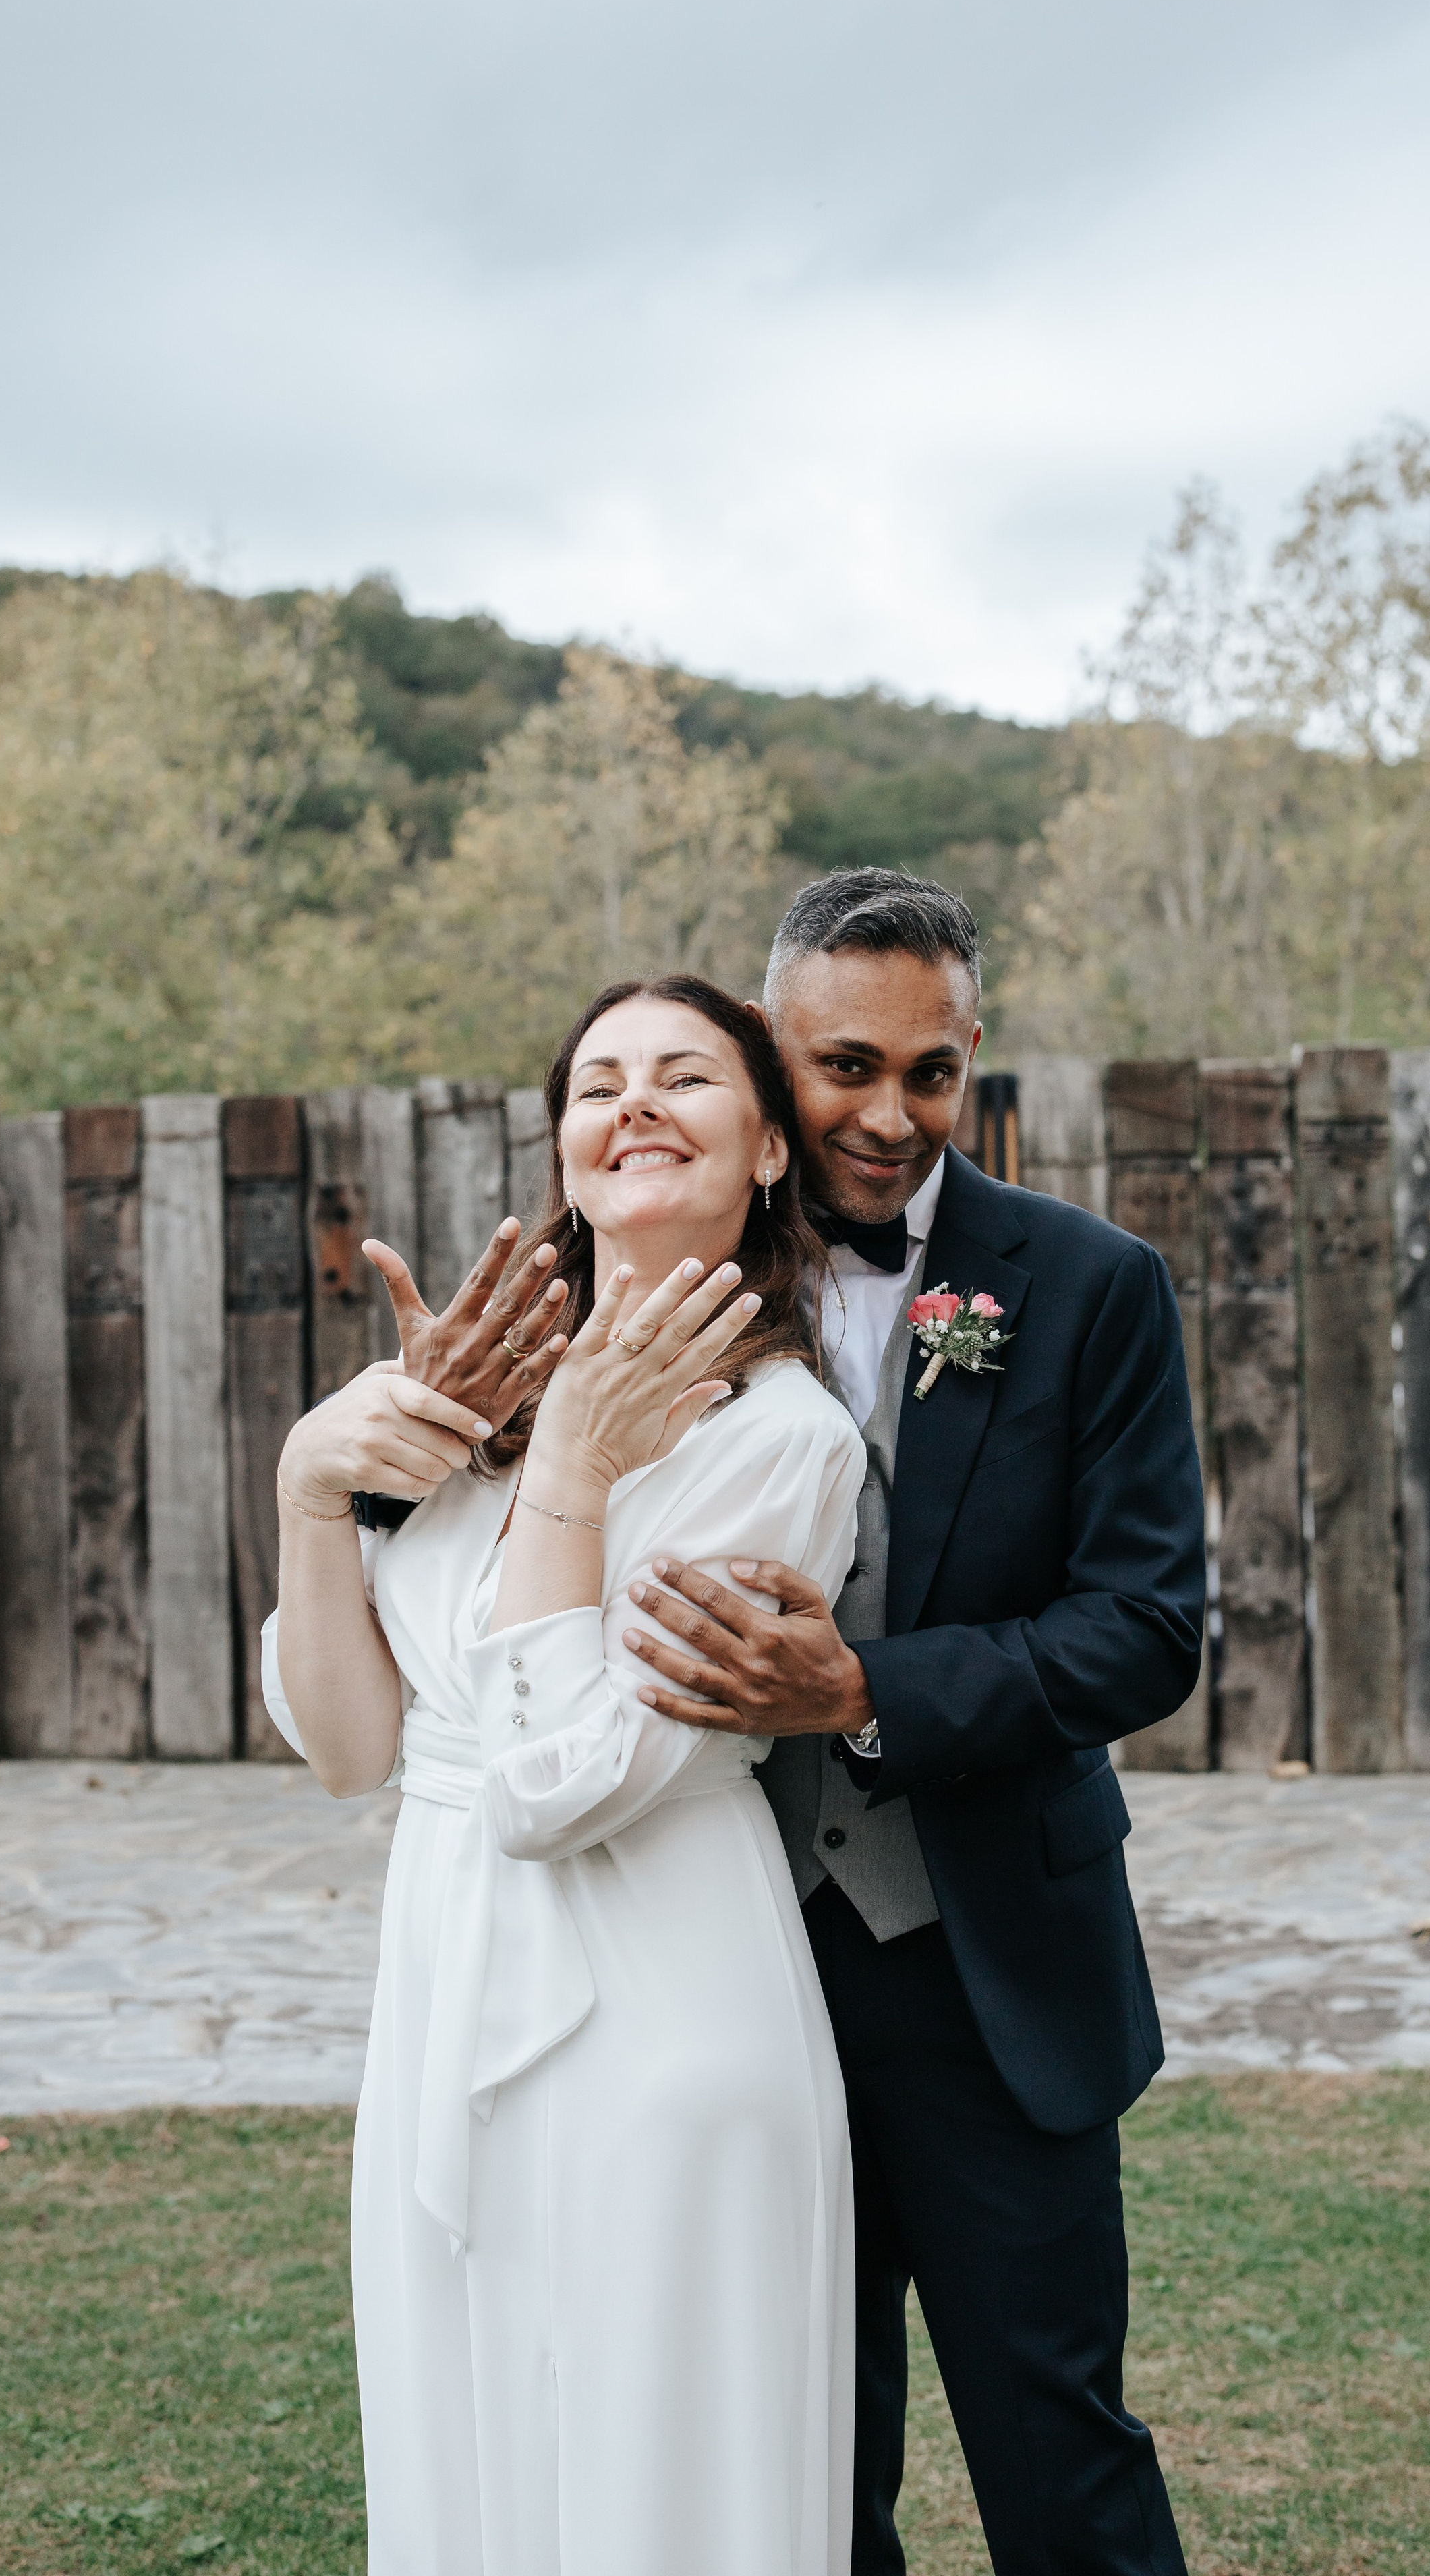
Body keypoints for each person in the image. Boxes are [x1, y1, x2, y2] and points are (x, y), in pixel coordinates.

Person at [376, 874, 1205, 2575]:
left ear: (970, 1062)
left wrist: (867, 1692)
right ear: (769, 1066)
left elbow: (1143, 1628)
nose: (888, 1116)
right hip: (707, 1962)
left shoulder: (1083, 1283)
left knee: (1058, 2453)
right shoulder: (584, 1304)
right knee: (790, 2468)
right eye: (842, 1068)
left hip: (979, 1961)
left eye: (933, 1071)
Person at [262, 976, 868, 2576]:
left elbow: (557, 1785)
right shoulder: (471, 1411)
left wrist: (582, 1478)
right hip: (443, 1986)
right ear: (564, 1149)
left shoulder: (781, 1439)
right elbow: (352, 1754)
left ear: (763, 1156)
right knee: (467, 2456)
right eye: (599, 1082)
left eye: (685, 1076)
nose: (635, 1102)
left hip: (661, 2019)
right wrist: (314, 1489)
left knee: (655, 2485)